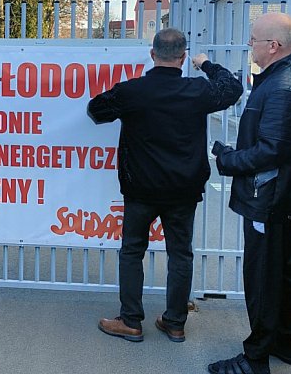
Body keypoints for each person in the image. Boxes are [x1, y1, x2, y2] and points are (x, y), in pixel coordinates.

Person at [89, 28, 243, 343]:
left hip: (140, 188)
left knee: (132, 251)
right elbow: (233, 88)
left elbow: (95, 110)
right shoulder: (197, 91)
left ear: (152, 54)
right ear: (184, 57)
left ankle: (130, 320)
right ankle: (175, 322)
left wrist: (122, 102)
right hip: (183, 190)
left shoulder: (133, 91)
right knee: (180, 254)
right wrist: (206, 65)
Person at [201, 12, 291, 374]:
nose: (249, 44)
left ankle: (255, 359)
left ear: (273, 45)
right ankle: (285, 341)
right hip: (280, 198)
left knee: (263, 277)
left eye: (254, 39)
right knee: (282, 271)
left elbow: (271, 151)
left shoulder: (282, 86)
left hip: (268, 199)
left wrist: (229, 160)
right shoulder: (286, 78)